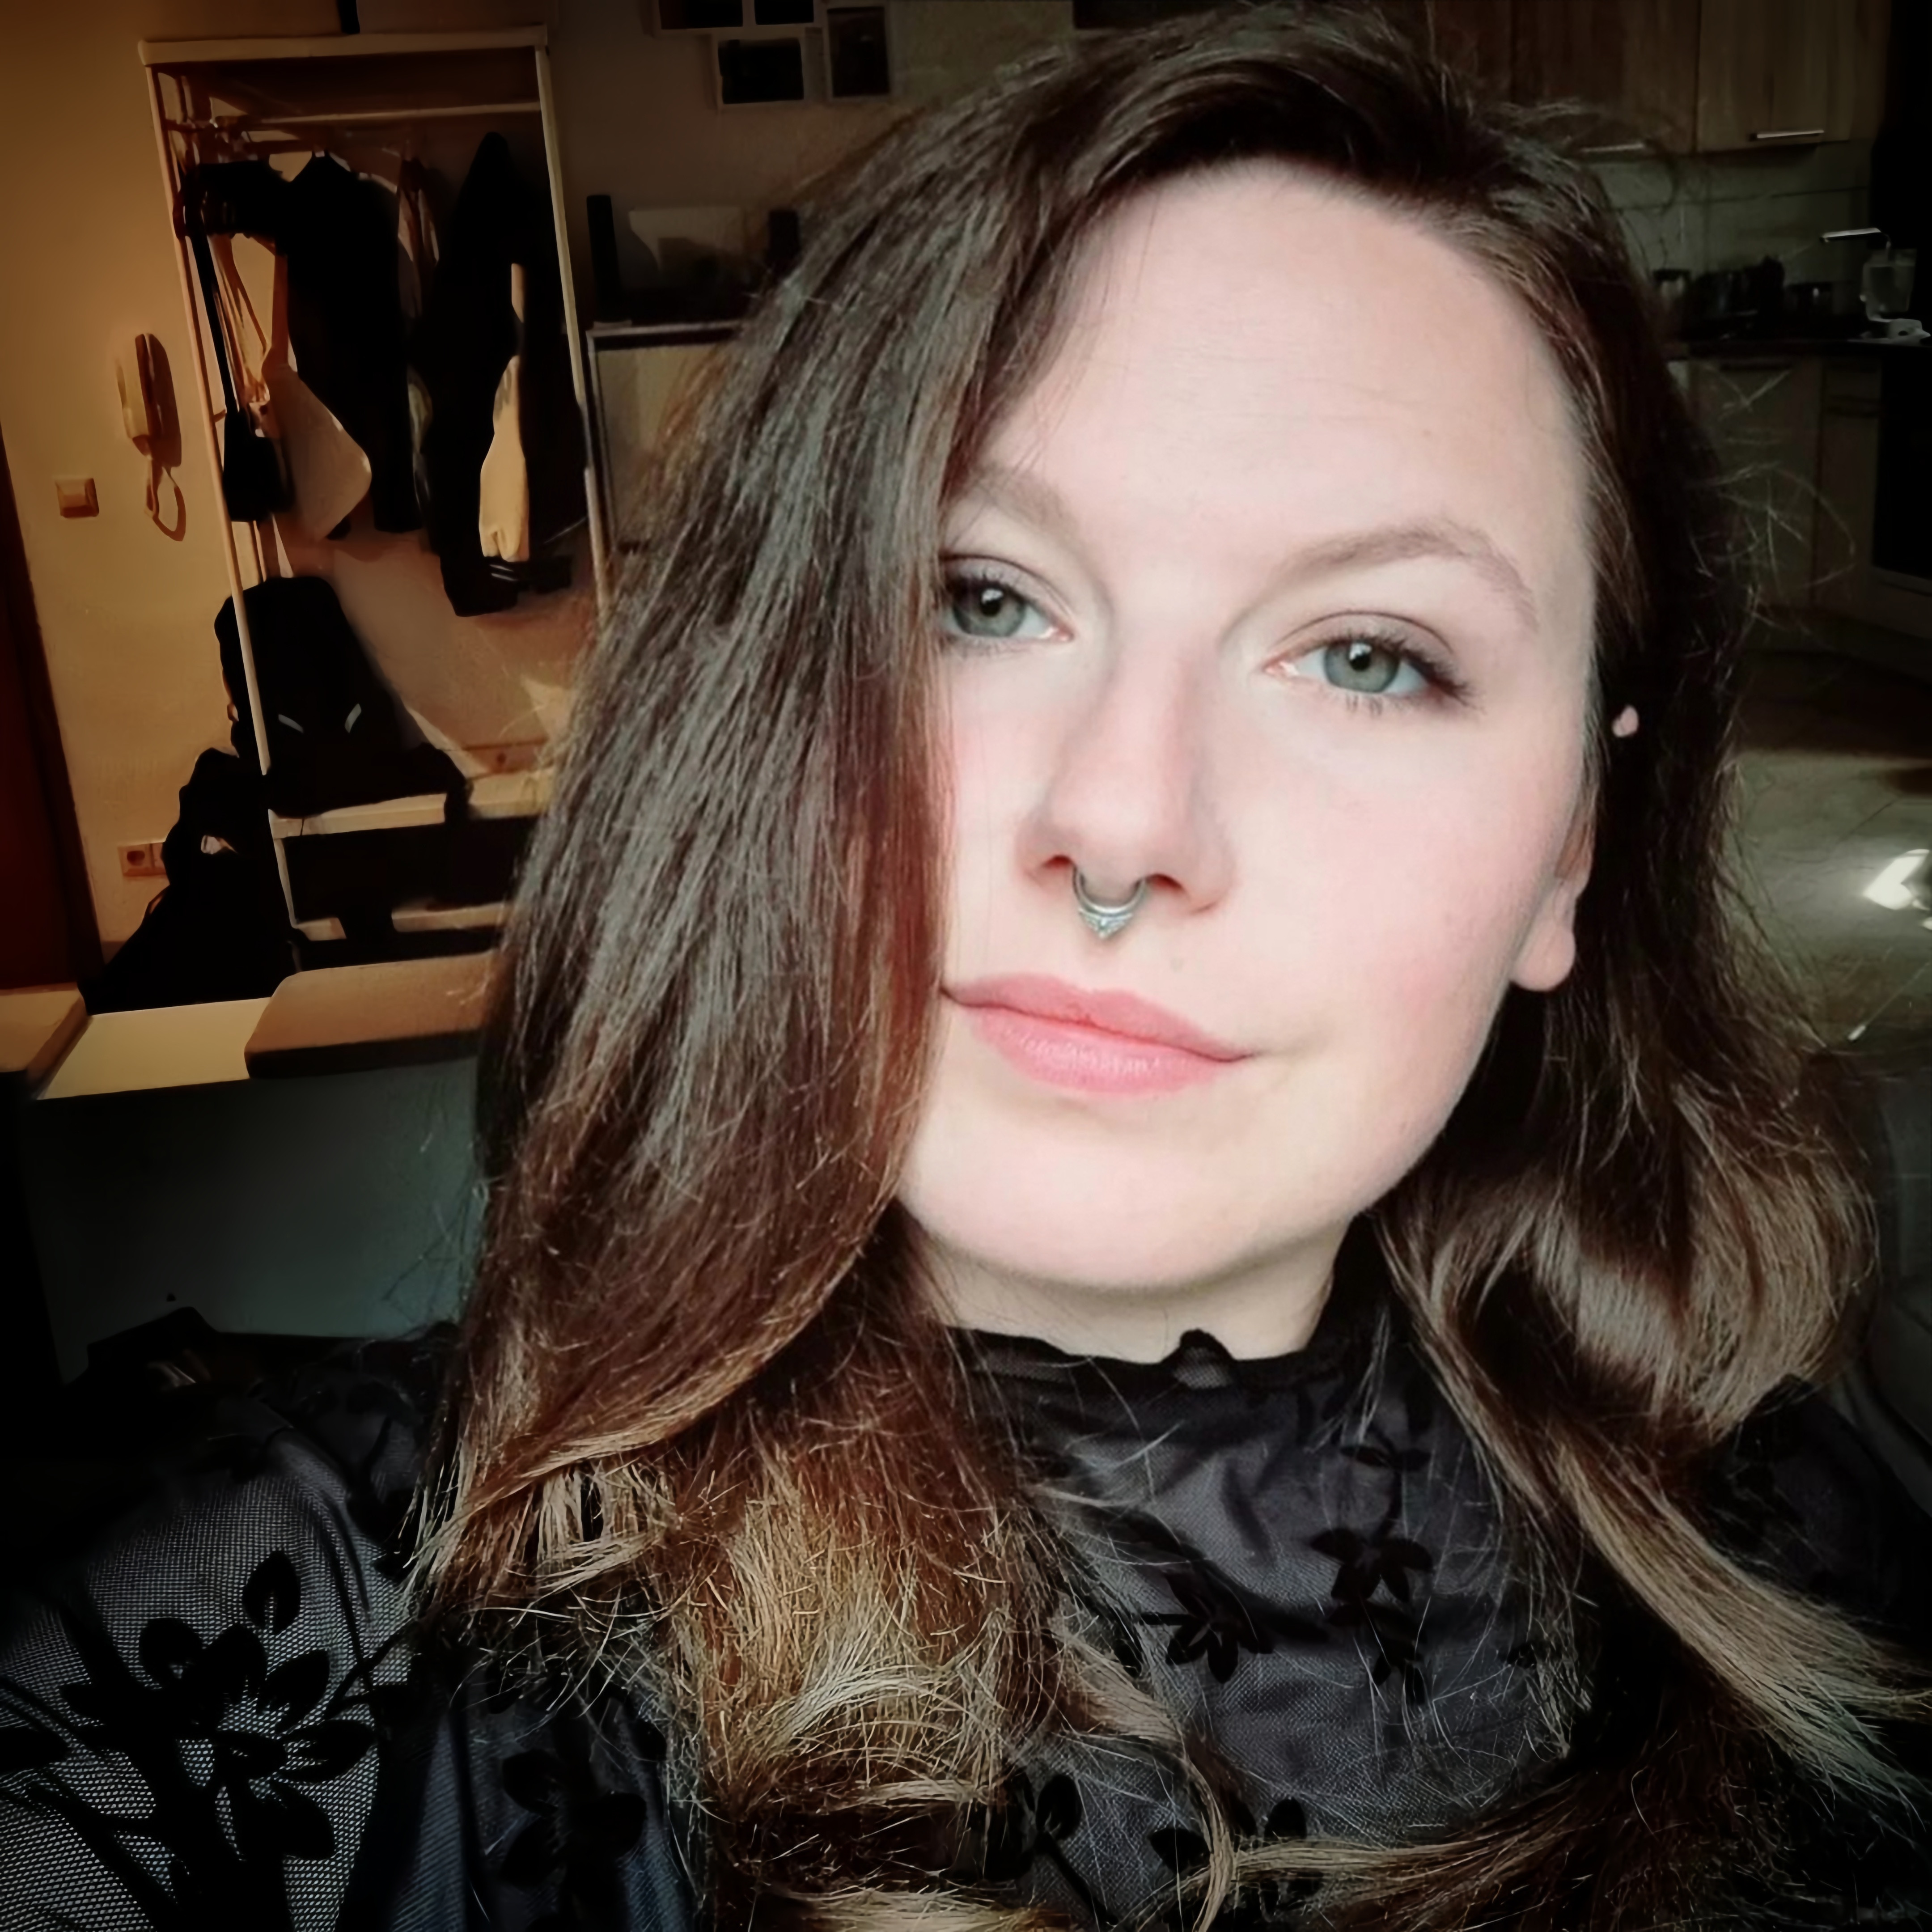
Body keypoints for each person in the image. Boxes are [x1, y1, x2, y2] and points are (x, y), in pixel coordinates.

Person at [3, 7, 1929, 1927]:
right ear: (772, 699)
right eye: (983, 600)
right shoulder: (257, 1678)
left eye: (1369, 656)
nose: (1123, 821)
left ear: (1574, 842)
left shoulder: (1805, 1557)